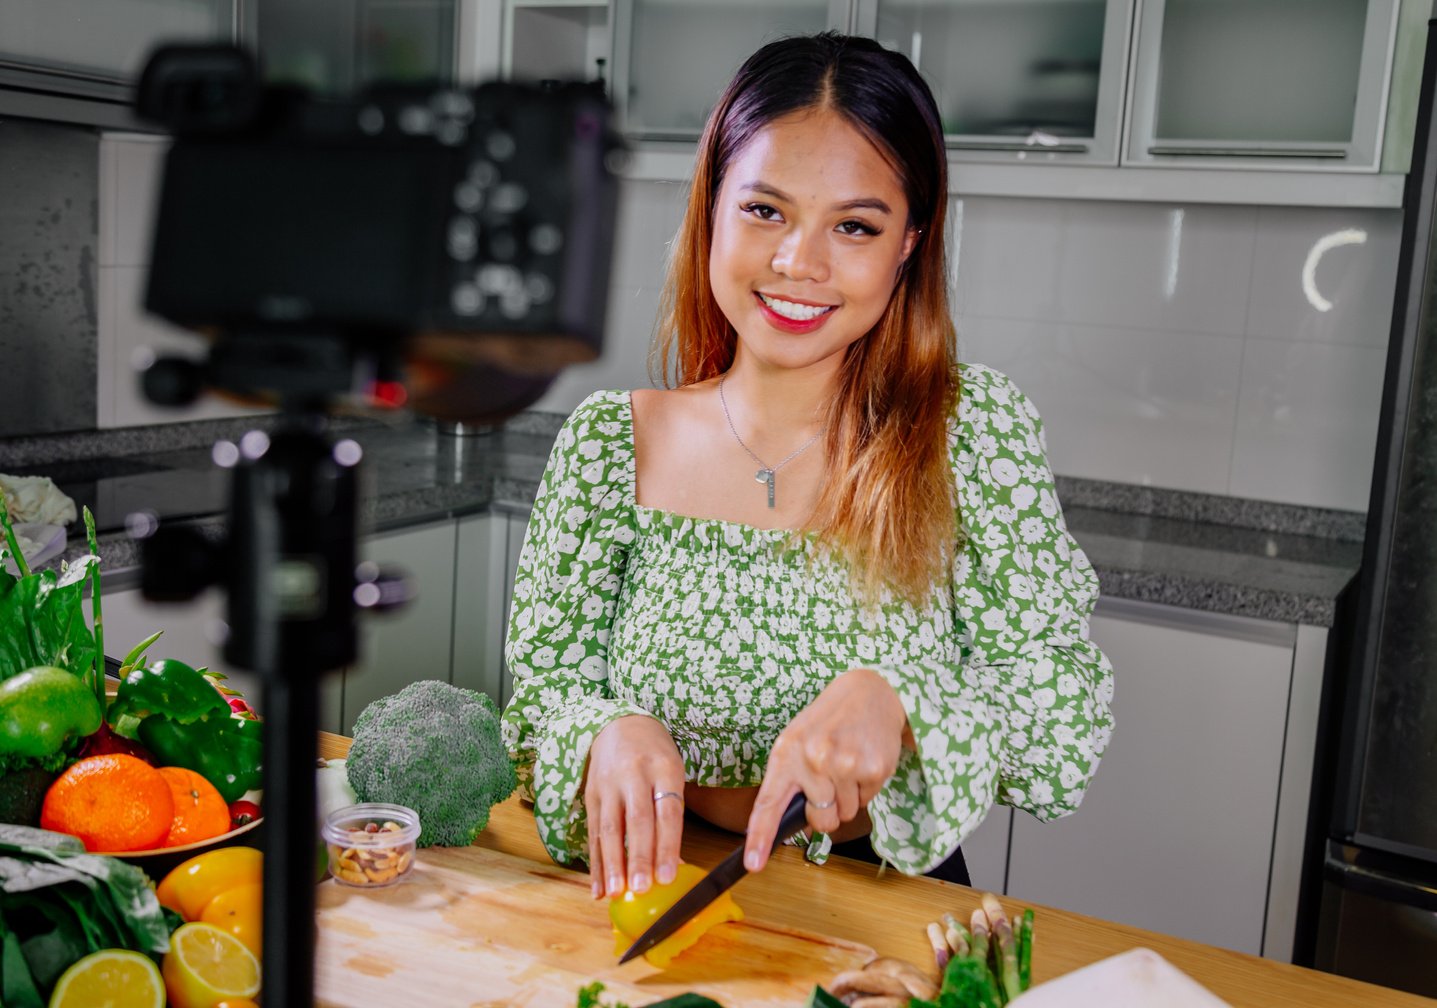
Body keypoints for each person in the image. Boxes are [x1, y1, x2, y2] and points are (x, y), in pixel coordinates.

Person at [501, 31, 1114, 902]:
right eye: (765, 211)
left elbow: (1064, 709)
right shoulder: (609, 444)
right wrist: (605, 727)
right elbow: (544, 697)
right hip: (659, 886)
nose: (800, 263)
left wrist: (901, 701)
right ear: (712, 206)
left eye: (855, 225)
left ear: (908, 243)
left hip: (883, 906)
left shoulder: (969, 432)